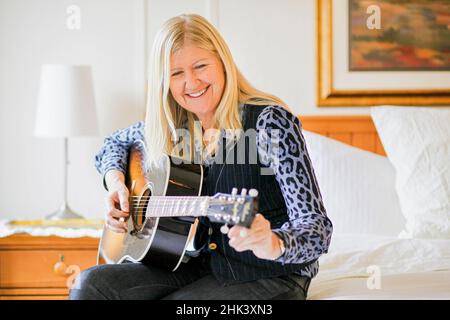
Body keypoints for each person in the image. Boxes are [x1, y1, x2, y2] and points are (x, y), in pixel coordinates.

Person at [69, 13, 332, 300]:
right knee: (89, 284)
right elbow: (113, 144)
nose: (191, 82)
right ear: (164, 81)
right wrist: (116, 182)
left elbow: (317, 228)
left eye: (200, 66)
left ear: (223, 63)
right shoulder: (173, 126)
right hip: (192, 263)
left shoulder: (270, 122)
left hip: (270, 273)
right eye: (176, 73)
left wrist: (273, 242)